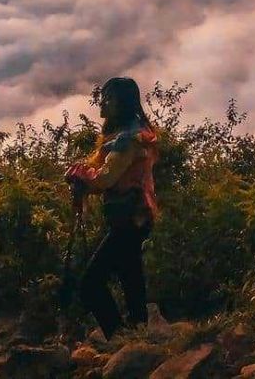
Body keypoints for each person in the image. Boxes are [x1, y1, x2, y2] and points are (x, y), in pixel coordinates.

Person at [65, 77, 159, 339]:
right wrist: (85, 171)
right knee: (130, 272)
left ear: (122, 103)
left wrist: (81, 177)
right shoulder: (127, 135)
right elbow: (103, 168)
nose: (103, 102)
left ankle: (118, 337)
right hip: (135, 216)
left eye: (109, 98)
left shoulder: (127, 140)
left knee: (90, 284)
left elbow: (106, 178)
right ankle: (139, 332)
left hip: (129, 217)